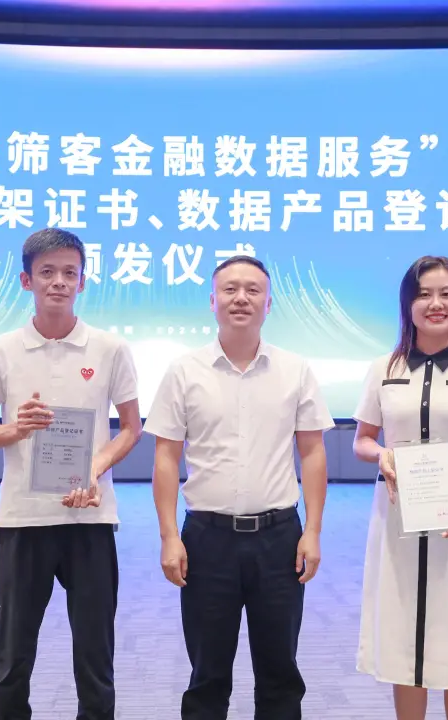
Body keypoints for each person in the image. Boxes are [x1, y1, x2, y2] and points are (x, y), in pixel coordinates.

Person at [144, 255, 334, 720]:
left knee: (280, 675)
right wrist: (169, 536)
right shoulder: (184, 371)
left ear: (269, 303)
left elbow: (312, 453)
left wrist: (313, 531)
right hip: (207, 540)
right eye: (230, 289)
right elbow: (166, 458)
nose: (241, 298)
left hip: (279, 539)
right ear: (212, 301)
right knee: (207, 677)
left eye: (253, 290)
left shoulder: (295, 370)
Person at [0, 228, 143, 720]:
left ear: (83, 282)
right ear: (27, 281)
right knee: (12, 661)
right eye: (47, 272)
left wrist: (94, 468)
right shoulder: (0, 350)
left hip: (89, 519)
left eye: (70, 273)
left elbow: (132, 428)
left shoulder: (110, 349)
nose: (59, 282)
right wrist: (16, 429)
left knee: (95, 660)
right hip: (22, 520)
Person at [352, 255, 448, 720]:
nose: (436, 303)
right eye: (424, 294)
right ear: (408, 304)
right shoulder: (383, 367)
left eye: (447, 293)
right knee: (404, 631)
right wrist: (381, 455)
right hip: (398, 509)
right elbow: (362, 439)